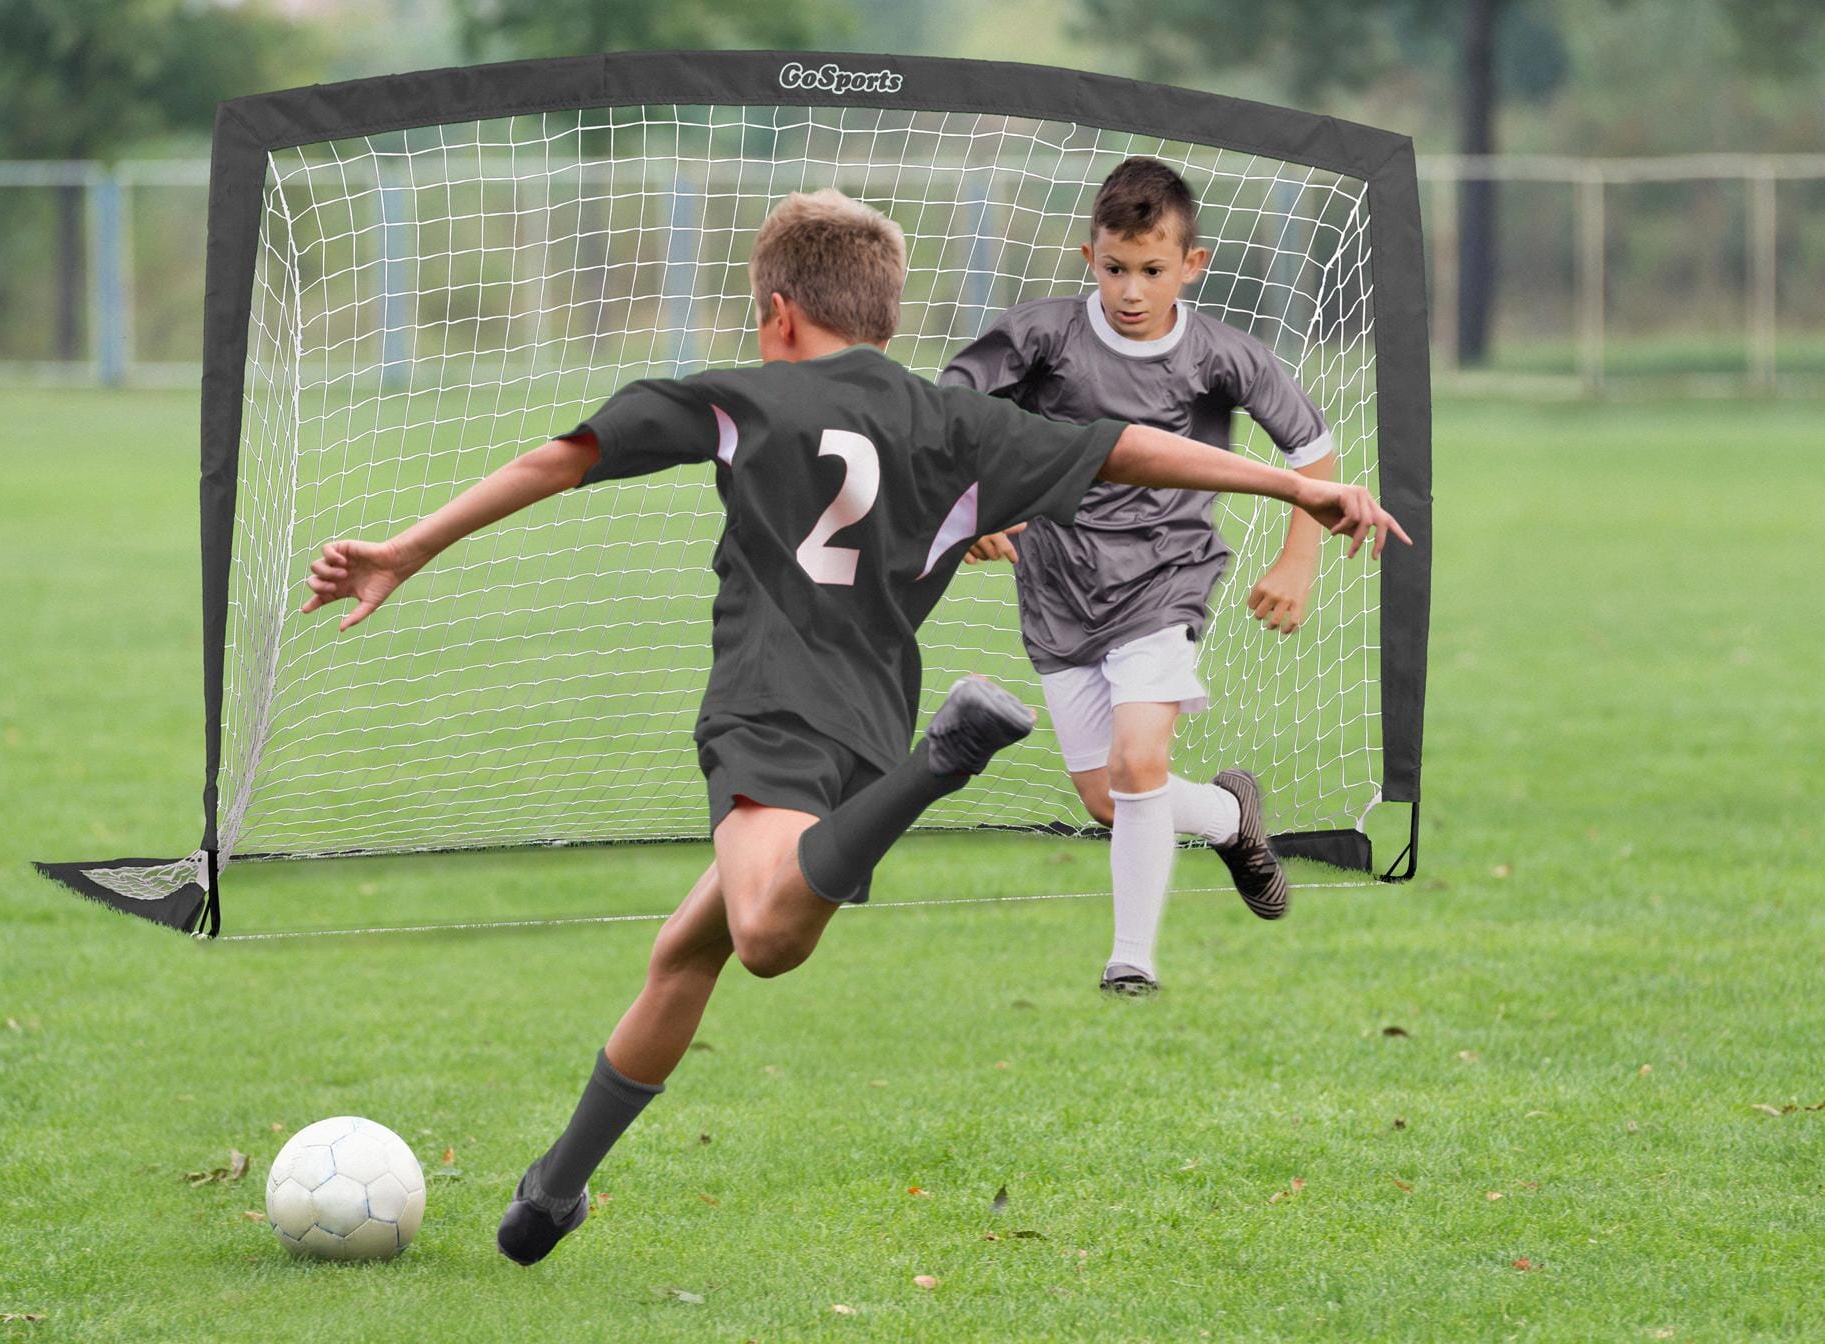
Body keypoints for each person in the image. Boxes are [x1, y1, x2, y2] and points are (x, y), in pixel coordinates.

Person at [300, 188, 1404, 1264]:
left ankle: (947, 757)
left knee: (767, 938)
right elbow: (1125, 446)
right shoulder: (951, 419)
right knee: (685, 950)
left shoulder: (740, 395)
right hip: (859, 728)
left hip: (769, 707)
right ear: (883, 311)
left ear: (778, 309)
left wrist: (410, 545)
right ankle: (554, 1187)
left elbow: (562, 457)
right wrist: (1288, 487)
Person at [943, 156, 1344, 994]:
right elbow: (948, 412)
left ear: (1190, 266)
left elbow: (1312, 454)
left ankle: (1132, 963)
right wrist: (974, 504)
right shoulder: (1041, 337)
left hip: (1166, 580)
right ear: (1089, 258)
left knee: (1137, 763)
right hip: (1056, 589)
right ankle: (1234, 819)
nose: (1131, 290)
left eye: (1152, 271)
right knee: (1112, 796)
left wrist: (1298, 557)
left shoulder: (1222, 356)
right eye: (1116, 269)